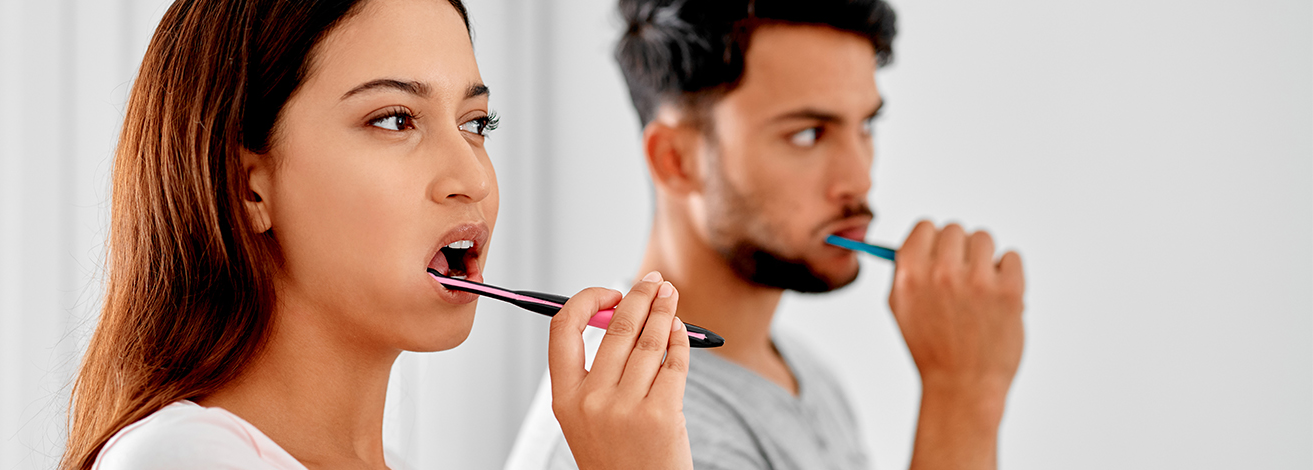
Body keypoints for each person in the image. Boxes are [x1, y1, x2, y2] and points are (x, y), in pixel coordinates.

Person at [60, 1, 696, 469]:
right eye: (395, 119)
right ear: (249, 186)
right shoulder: (185, 460)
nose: (471, 176)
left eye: (477, 122)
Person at [507, 0, 1027, 469]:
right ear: (677, 160)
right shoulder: (641, 431)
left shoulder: (802, 373)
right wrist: (963, 395)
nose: (859, 178)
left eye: (865, 126)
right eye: (807, 134)